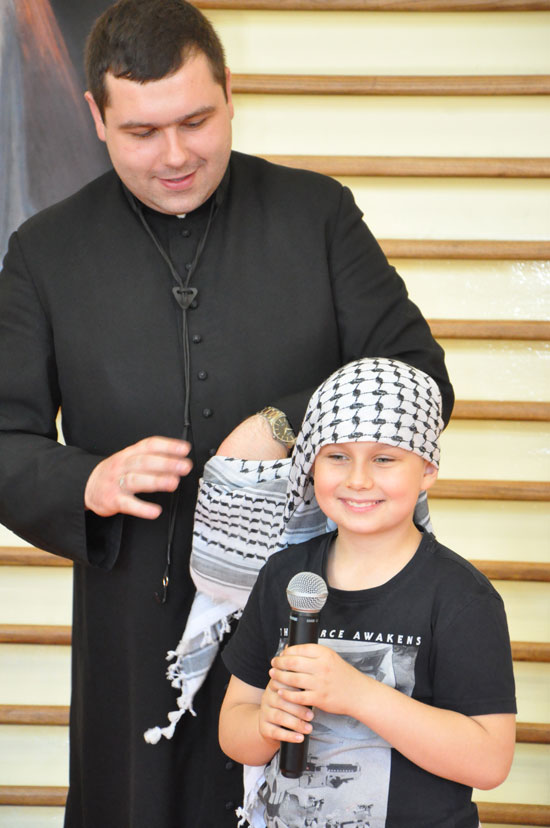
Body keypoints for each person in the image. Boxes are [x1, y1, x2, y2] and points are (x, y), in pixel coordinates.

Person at [0, 1, 454, 825]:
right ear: (96, 116)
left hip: (317, 606)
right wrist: (86, 481)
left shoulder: (318, 214)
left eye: (196, 121)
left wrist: (286, 421)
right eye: (142, 132)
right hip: (134, 615)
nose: (175, 155)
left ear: (229, 92)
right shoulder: (44, 251)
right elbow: (5, 439)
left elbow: (418, 374)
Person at [219, 358, 516, 828]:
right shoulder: (284, 576)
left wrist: (358, 694)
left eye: (384, 458)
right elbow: (234, 729)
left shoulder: (461, 598)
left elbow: (489, 762)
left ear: (427, 469)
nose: (357, 479)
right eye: (337, 456)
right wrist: (265, 723)